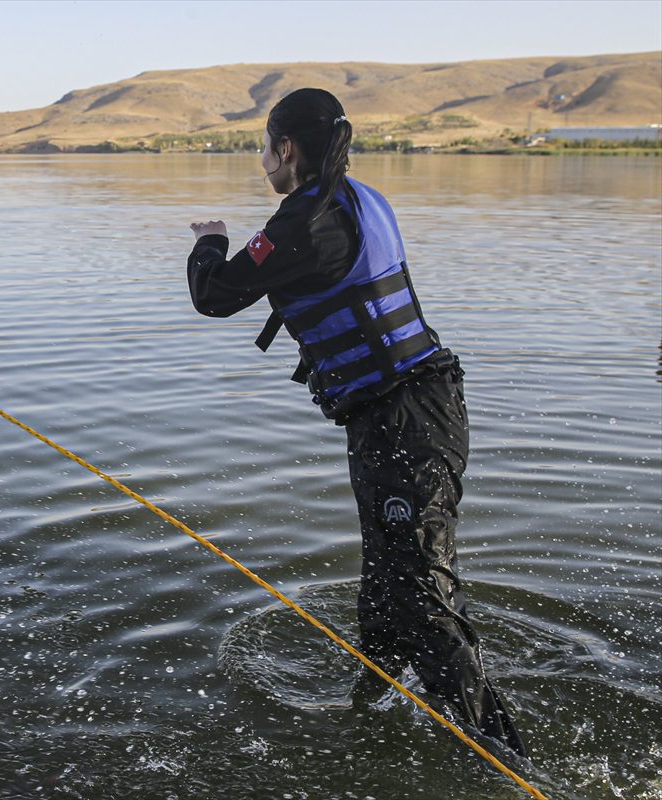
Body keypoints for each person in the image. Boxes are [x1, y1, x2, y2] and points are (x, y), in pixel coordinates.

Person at [186, 88, 526, 756]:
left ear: (286, 148)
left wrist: (211, 241)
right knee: (384, 589)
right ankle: (370, 720)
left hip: (405, 420)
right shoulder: (360, 198)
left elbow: (214, 295)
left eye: (264, 146)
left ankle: (503, 758)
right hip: (406, 414)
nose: (263, 160)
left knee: (423, 594)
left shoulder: (301, 223)